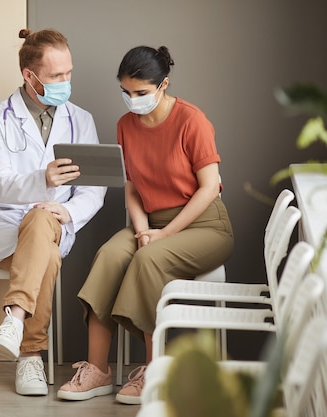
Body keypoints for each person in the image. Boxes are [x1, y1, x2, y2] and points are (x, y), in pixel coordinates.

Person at [57, 45, 234, 404]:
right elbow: (133, 187)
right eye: (126, 92)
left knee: (148, 259)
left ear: (163, 84)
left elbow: (209, 188)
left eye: (140, 93)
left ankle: (152, 370)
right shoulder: (126, 125)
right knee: (108, 255)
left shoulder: (192, 120)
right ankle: (97, 370)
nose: (132, 100)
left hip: (204, 226)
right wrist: (142, 230)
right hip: (151, 222)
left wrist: (162, 235)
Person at [0, 28, 106, 396]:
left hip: (56, 220)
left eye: (69, 73)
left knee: (43, 221)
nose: (66, 82)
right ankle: (31, 355)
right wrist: (41, 179)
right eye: (56, 76)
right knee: (43, 248)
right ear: (30, 76)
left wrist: (67, 210)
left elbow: (94, 189)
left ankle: (15, 320)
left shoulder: (81, 120)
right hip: (1, 222)